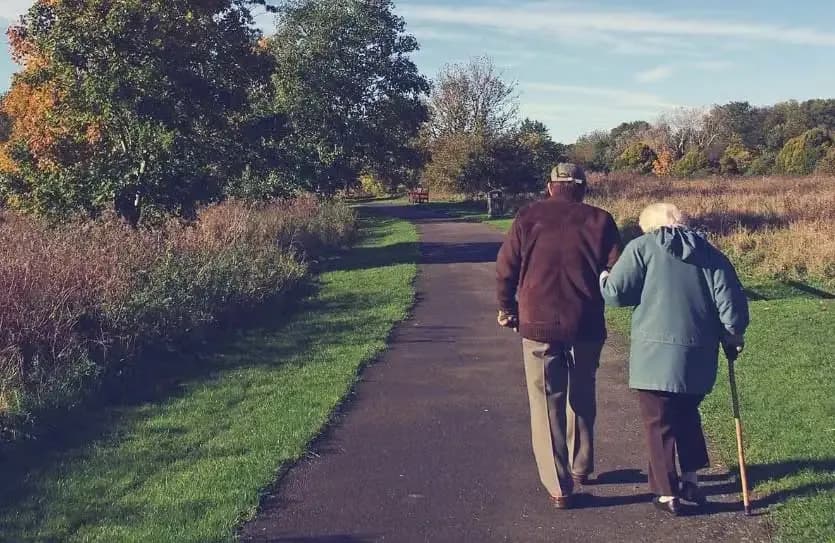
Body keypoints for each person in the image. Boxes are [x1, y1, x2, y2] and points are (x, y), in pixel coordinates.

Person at [600, 203, 749, 515]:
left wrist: (603, 277)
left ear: (649, 227)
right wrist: (733, 335)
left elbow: (615, 294)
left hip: (653, 356)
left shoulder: (642, 248)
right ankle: (691, 480)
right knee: (686, 416)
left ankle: (668, 493)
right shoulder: (710, 253)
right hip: (698, 355)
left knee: (658, 422)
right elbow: (731, 305)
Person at [496, 163, 622, 509]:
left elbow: (506, 266)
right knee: (583, 392)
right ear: (582, 187)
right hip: (586, 322)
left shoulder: (528, 217)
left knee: (546, 401)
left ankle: (559, 485)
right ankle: (582, 465)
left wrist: (507, 308)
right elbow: (616, 271)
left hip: (538, 322)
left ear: (550, 185)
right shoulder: (601, 220)